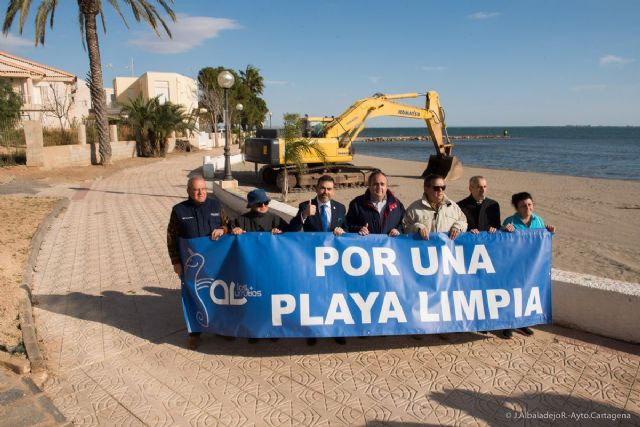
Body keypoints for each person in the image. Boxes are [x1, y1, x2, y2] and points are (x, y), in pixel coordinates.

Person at [167, 175, 228, 350]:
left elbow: (228, 225)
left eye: (203, 189)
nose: (200, 192)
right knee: (193, 297)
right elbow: (171, 238)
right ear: (188, 191)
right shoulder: (179, 210)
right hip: (190, 264)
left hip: (216, 264)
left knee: (217, 296)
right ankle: (194, 333)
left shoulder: (215, 206)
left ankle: (220, 328)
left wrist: (222, 229)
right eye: (196, 189)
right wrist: (176, 262)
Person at [288, 175, 348, 345]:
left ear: (333, 191)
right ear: (316, 189)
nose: (325, 192)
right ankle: (312, 331)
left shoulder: (341, 208)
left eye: (329, 189)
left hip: (334, 262)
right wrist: (304, 215)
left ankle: (337, 330)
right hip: (312, 261)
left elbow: (348, 229)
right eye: (322, 188)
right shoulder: (305, 206)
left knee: (336, 296)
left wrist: (342, 230)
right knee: (314, 296)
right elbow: (292, 229)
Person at [501, 191, 556, 339]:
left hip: (531, 267)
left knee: (526, 294)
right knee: (512, 295)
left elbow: (542, 241)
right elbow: (499, 242)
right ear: (517, 208)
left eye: (530, 204)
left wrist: (550, 232)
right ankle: (507, 325)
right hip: (514, 266)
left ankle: (523, 323)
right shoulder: (510, 221)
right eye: (523, 205)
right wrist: (505, 231)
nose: (527, 208)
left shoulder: (538, 220)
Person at [403, 174, 467, 240]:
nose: (440, 190)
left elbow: (464, 221)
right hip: (425, 248)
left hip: (446, 248)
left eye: (443, 187)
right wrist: (418, 227)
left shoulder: (453, 206)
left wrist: (457, 227)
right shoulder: (414, 208)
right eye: (436, 188)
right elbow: (405, 227)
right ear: (426, 189)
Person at [346, 171, 404, 237]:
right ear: (369, 186)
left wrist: (398, 230)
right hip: (366, 245)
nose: (379, 187)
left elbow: (404, 224)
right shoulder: (356, 204)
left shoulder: (397, 204)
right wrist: (359, 229)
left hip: (389, 246)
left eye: (382, 184)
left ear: (386, 187)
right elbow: (347, 225)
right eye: (375, 184)